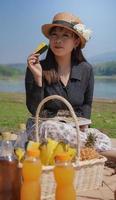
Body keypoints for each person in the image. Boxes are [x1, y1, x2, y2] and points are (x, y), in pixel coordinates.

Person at [25, 12, 111, 151]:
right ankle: (106, 154)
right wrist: (38, 78)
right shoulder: (37, 67)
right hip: (44, 128)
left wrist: (84, 125)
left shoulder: (86, 69)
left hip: (73, 129)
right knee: (50, 128)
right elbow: (35, 110)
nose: (58, 40)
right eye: (54, 35)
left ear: (76, 42)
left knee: (101, 138)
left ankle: (89, 150)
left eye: (65, 35)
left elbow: (86, 104)